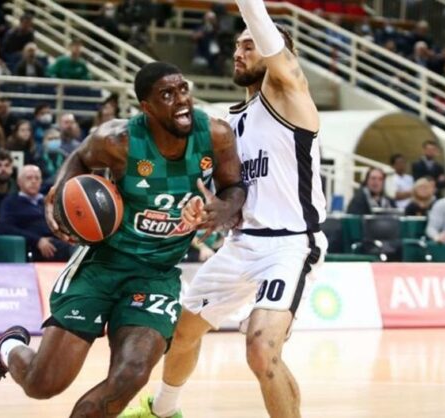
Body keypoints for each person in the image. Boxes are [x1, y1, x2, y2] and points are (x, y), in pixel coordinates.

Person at [0, 62, 245, 416]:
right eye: (167, 95)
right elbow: (80, 157)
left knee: (132, 373)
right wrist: (60, 194)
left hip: (156, 273)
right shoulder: (117, 140)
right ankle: (8, 350)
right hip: (103, 262)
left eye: (183, 90)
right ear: (147, 107)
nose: (181, 100)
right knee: (42, 384)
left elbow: (234, 186)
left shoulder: (216, 134)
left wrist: (222, 208)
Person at [123, 2, 328, 417]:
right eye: (236, 45)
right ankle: (163, 410)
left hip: (290, 246)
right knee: (181, 332)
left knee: (261, 349)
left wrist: (250, 9)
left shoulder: (291, 97)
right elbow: (231, 195)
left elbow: (266, 33)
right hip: (241, 244)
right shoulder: (229, 123)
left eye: (249, 45)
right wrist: (204, 208)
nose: (239, 52)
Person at [0, 165, 73, 261]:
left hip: (57, 240)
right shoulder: (11, 202)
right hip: (32, 246)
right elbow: (3, 227)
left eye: (37, 178)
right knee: (74, 250)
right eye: (29, 178)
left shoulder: (48, 200)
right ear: (19, 182)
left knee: (81, 245)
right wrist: (37, 240)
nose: (33, 181)